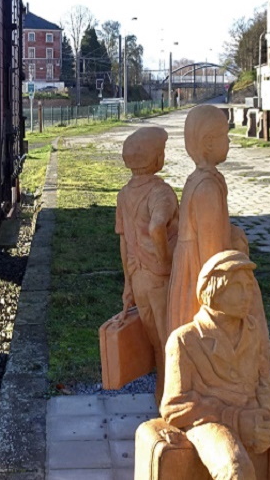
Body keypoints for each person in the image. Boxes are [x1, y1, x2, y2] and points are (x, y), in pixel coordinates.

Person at [160, 251, 270, 479]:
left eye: (249, 287)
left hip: (255, 410)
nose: (247, 295)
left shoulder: (253, 329)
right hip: (212, 420)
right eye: (238, 287)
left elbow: (264, 380)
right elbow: (174, 407)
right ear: (214, 291)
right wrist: (236, 419)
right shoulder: (185, 339)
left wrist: (266, 415)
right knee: (236, 468)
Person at [167, 104, 249, 332]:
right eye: (226, 135)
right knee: (200, 331)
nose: (229, 142)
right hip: (200, 272)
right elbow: (212, 250)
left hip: (194, 265)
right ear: (209, 142)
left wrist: (232, 232)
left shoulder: (200, 178)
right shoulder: (207, 189)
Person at [115, 126, 179, 402]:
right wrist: (164, 261)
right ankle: (174, 396)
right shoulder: (161, 192)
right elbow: (157, 227)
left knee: (156, 340)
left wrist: (128, 283)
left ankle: (161, 394)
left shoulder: (123, 195)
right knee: (171, 339)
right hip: (158, 277)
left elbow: (124, 241)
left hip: (138, 277)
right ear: (156, 159)